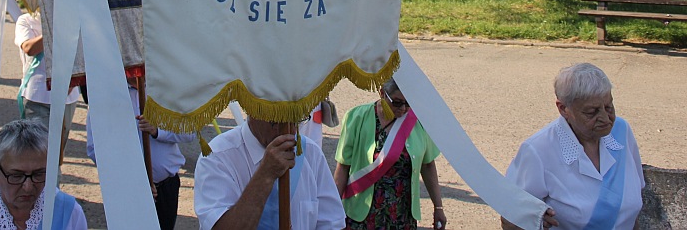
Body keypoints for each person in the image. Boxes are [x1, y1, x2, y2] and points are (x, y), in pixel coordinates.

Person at [501, 63, 644, 230]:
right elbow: (510, 219)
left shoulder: (621, 131)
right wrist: (533, 222)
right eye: (592, 112)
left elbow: (632, 211)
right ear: (563, 109)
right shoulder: (538, 150)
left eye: (609, 107)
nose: (605, 118)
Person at [194, 111, 345, 230]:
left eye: (296, 120)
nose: (290, 131)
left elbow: (331, 223)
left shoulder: (310, 152)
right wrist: (266, 174)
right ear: (252, 110)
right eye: (276, 122)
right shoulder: (218, 156)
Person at [333, 79, 447, 230]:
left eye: (408, 103)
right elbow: (343, 167)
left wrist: (438, 207)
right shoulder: (356, 117)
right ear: (382, 93)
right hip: (361, 214)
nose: (403, 109)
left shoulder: (418, 122)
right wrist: (332, 209)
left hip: (402, 215)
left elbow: (428, 165)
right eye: (397, 102)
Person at [86, 79, 195, 230]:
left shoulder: (166, 88)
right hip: (127, 189)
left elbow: (190, 131)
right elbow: (95, 149)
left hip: (165, 186)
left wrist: (158, 130)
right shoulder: (106, 94)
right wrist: (133, 182)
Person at [14, 10, 79, 158]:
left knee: (57, 154)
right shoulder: (26, 20)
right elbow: (29, 48)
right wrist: (54, 30)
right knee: (39, 152)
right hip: (37, 95)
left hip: (68, 96)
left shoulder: (73, 18)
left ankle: (53, 180)